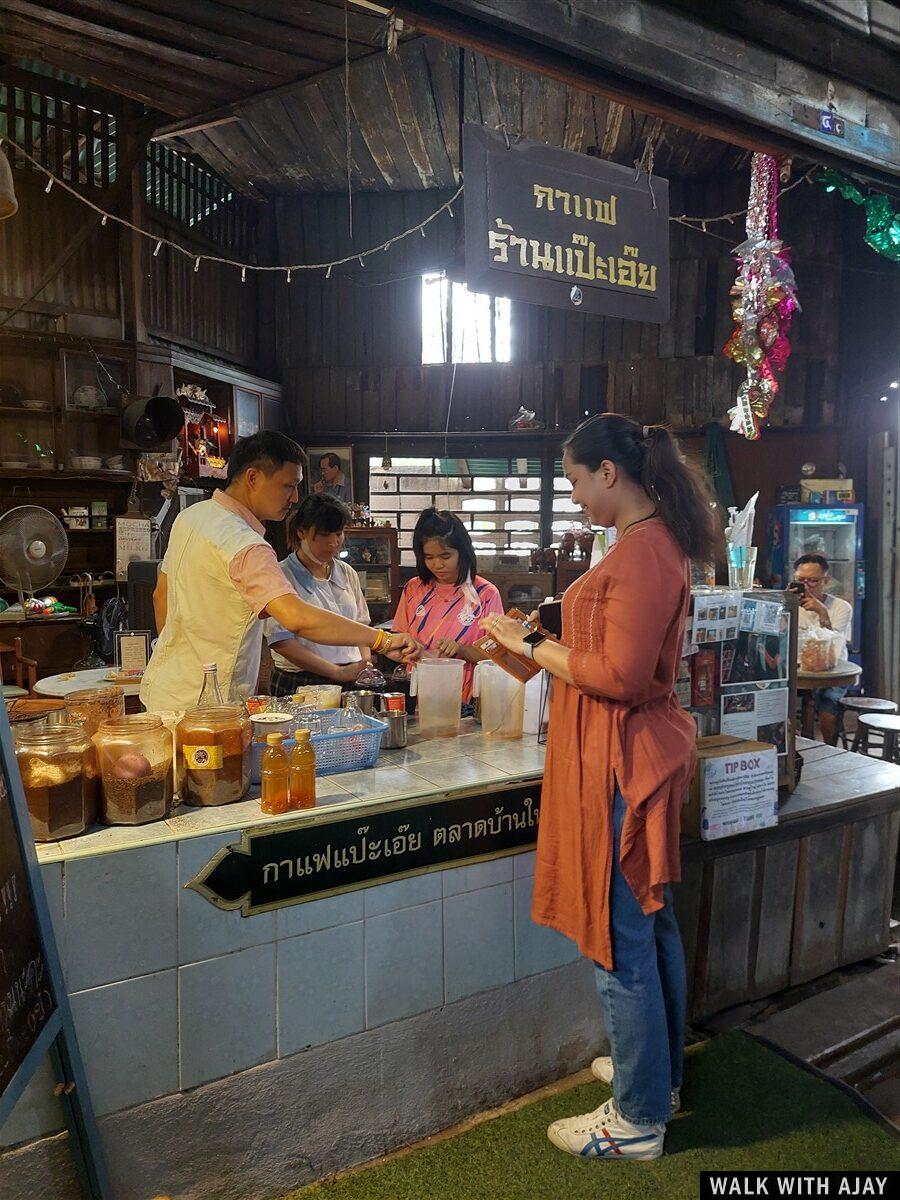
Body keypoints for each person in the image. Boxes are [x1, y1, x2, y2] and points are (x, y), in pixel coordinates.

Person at [482, 414, 719, 1162]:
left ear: (610, 474)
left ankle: (638, 1118)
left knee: (621, 938)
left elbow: (619, 676)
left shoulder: (646, 552)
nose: (575, 494)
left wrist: (528, 642)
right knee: (650, 923)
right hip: (627, 753)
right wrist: (529, 642)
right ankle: (659, 1076)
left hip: (624, 761)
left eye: (577, 480)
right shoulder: (644, 544)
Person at [141, 432, 418, 714]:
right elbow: (297, 618)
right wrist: (383, 640)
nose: (295, 497)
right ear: (253, 478)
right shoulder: (246, 544)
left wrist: (184, 659)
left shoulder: (192, 517)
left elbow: (160, 596)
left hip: (166, 691)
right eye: (289, 486)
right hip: (211, 708)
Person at [265, 494, 372, 696]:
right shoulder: (281, 574)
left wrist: (365, 663)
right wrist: (336, 672)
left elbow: (361, 626)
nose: (333, 543)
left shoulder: (347, 572)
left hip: (351, 677)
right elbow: (281, 642)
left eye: (338, 533)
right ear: (301, 532)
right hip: (302, 681)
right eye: (324, 534)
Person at [393, 509, 503, 704]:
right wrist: (408, 647)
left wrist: (461, 650)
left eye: (445, 556)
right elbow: (395, 642)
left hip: (465, 700)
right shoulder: (413, 589)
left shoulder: (485, 594)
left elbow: (496, 654)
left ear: (463, 552)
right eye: (429, 557)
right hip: (417, 695)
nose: (437, 565)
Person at [793, 552, 853, 744]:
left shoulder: (841, 607)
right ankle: (793, 749)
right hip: (800, 669)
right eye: (801, 580)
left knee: (827, 708)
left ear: (825, 581)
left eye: (813, 581)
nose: (807, 585)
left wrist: (821, 611)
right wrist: (786, 604)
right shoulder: (791, 605)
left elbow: (834, 643)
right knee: (780, 702)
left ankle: (831, 750)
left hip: (833, 670)